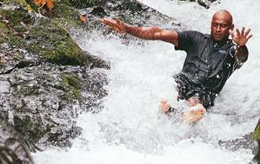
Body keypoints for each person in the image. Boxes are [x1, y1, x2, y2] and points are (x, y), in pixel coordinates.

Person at [101, 10, 252, 123]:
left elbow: (242, 58)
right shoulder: (195, 38)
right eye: (215, 25)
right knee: (168, 93)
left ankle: (188, 114)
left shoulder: (233, 50)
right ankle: (168, 108)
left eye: (223, 26)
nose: (218, 29)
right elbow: (157, 33)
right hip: (183, 81)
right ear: (211, 25)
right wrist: (128, 29)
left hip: (205, 91)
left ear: (230, 27)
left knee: (196, 104)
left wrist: (241, 46)